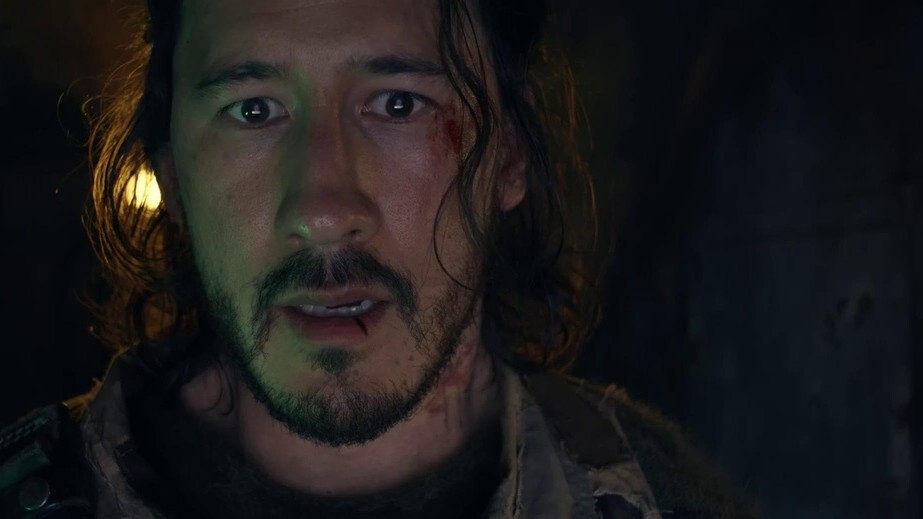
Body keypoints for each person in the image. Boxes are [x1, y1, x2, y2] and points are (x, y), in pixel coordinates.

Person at [0, 0, 755, 517]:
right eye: (254, 110)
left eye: (398, 104)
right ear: (171, 171)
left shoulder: (661, 496)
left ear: (509, 154)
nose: (325, 211)